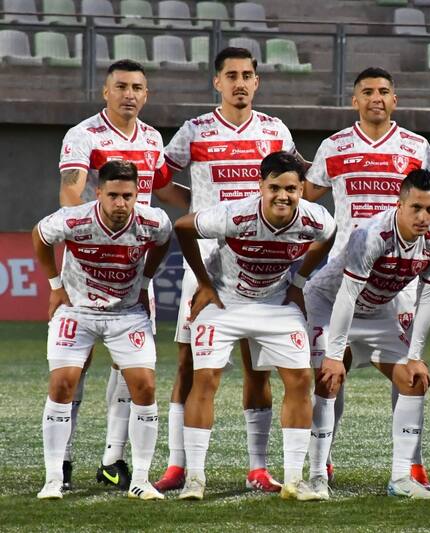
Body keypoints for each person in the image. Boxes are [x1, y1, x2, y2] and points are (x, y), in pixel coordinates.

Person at [154, 47, 297, 493]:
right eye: (231, 75)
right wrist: (197, 209)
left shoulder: (275, 131)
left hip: (261, 261)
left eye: (247, 75)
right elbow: (159, 178)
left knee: (259, 368)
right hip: (206, 262)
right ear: (217, 82)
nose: (240, 82)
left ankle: (258, 467)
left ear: (257, 83)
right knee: (188, 363)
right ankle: (179, 464)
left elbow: (293, 185)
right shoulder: (194, 130)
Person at [57, 59, 189, 491]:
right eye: (121, 86)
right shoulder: (83, 135)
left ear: (146, 95)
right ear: (105, 92)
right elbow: (72, 190)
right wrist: (84, 232)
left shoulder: (152, 138)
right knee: (77, 363)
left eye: (137, 87)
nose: (129, 94)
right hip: (89, 266)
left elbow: (164, 188)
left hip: (134, 271)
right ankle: (63, 458)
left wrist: (206, 205)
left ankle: (114, 458)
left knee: (126, 362)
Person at [173, 152, 335, 501]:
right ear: (260, 187)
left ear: (301, 189)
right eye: (274, 187)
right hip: (225, 302)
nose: (283, 195)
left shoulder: (315, 218)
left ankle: (293, 481)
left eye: (291, 188)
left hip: (275, 303)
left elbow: (330, 235)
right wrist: (204, 282)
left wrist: (300, 281)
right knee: (205, 378)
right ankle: (195, 479)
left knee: (300, 379)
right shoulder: (234, 214)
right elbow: (183, 227)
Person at [303, 67, 430, 488]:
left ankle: (409, 465)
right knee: (330, 372)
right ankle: (319, 464)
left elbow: (423, 196)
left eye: (383, 91)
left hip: (397, 283)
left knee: (410, 374)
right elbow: (307, 197)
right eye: (367, 92)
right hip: (344, 275)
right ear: (354, 100)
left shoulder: (416, 146)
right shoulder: (334, 145)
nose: (376, 98)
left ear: (394, 99)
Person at [303, 170, 430, 500]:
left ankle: (400, 479)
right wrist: (334, 354)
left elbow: (427, 300)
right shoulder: (371, 234)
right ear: (399, 204)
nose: (424, 217)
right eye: (416, 208)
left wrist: (414, 356)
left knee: (414, 380)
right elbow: (347, 295)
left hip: (380, 311)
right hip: (330, 302)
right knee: (329, 379)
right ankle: (316, 475)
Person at [34, 160, 172, 500]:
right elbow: (39, 235)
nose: (120, 203)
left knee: (146, 386)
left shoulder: (153, 221)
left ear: (138, 194)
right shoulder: (75, 219)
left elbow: (165, 240)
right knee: (63, 381)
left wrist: (146, 281)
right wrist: (55, 285)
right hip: (77, 311)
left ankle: (140, 479)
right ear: (99, 193)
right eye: (113, 195)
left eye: (127, 195)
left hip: (127, 313)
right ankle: (53, 479)